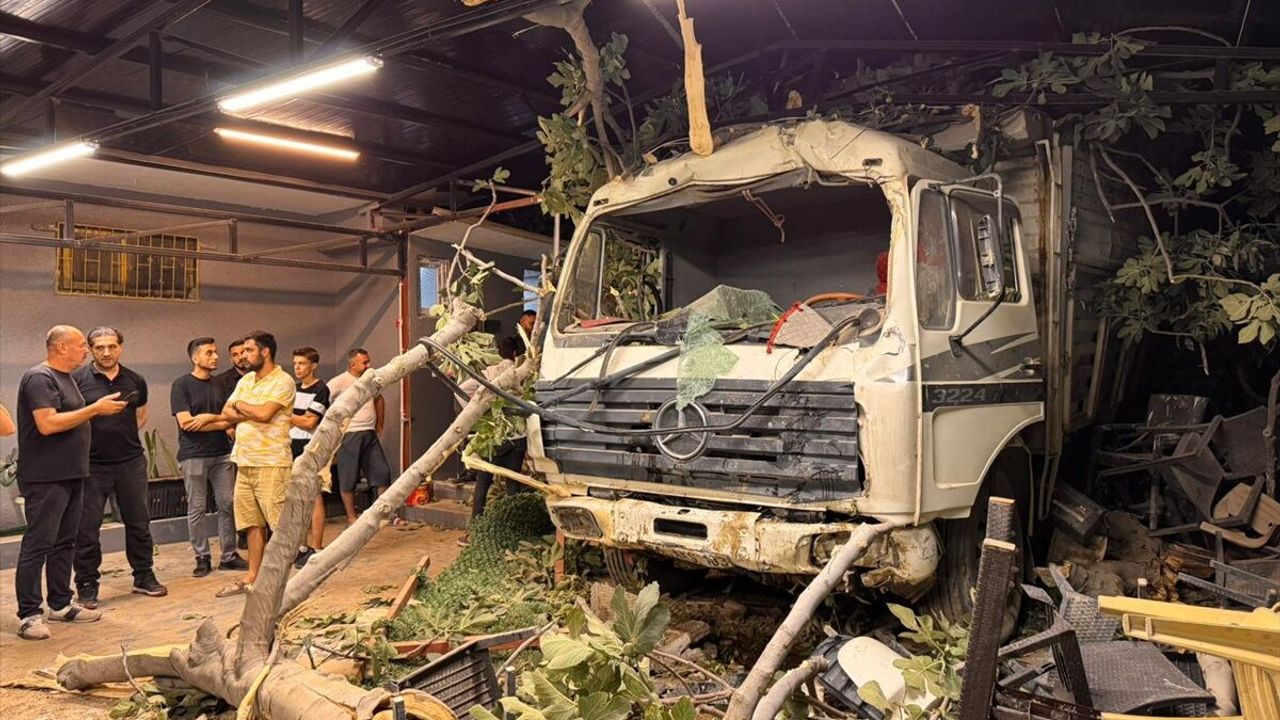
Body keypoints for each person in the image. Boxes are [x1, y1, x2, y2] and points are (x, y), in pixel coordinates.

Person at [14, 326, 126, 640]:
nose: (86, 351)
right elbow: (47, 423)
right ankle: (29, 614)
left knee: (65, 541)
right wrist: (95, 408)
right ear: (61, 347)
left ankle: (60, 603)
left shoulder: (66, 378)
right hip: (45, 476)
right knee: (39, 543)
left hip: (72, 473)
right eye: (80, 345)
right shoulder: (40, 377)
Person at [71, 327, 168, 608]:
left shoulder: (135, 380)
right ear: (90, 349)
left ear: (121, 347)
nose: (106, 352)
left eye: (112, 346)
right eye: (99, 347)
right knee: (87, 529)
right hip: (90, 466)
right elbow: (70, 416)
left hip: (130, 463)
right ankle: (87, 584)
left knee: (139, 523)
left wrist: (118, 437)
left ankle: (143, 576)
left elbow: (140, 415)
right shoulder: (77, 380)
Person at [216, 330, 294, 597]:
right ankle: (253, 578)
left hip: (272, 463)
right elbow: (226, 412)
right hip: (245, 461)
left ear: (265, 351)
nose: (243, 356)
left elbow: (265, 414)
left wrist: (241, 406)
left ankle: (281, 582)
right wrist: (247, 409)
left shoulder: (283, 381)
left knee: (279, 526)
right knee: (252, 523)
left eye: (249, 351)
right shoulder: (246, 380)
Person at [172, 337, 246, 577]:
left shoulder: (220, 384)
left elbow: (232, 418)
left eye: (215, 352)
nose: (215, 357)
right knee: (197, 507)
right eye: (209, 353)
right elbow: (186, 423)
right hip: (194, 455)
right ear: (195, 358)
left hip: (222, 454)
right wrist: (219, 422)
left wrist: (207, 419)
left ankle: (229, 555)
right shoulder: (181, 385)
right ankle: (202, 556)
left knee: (227, 504)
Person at [457, 336, 527, 545]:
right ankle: (515, 533)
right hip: (517, 436)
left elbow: (462, 390)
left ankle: (473, 531)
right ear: (515, 353)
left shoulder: (490, 372)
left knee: (483, 482)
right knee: (513, 485)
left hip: (493, 436)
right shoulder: (523, 372)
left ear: (497, 353)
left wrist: (476, 413)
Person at [327, 348, 392, 525]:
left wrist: (380, 423)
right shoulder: (339, 382)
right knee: (348, 478)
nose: (369, 365)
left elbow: (379, 399)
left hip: (369, 433)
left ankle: (380, 514)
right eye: (365, 362)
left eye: (368, 361)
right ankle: (351, 517)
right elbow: (323, 401)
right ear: (353, 364)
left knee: (383, 473)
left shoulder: (370, 380)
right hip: (350, 434)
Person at [289, 347, 331, 568]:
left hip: (310, 447)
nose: (297, 368)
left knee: (314, 496)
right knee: (297, 498)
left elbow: (309, 422)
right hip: (290, 446)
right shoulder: (294, 389)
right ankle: (302, 546)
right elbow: (299, 418)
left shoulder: (321, 389)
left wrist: (286, 415)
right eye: (295, 363)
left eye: (302, 363)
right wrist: (295, 417)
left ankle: (317, 547)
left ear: (313, 366)